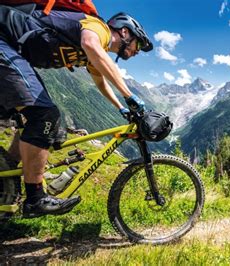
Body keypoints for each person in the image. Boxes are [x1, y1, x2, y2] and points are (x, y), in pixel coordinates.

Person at [0, 4, 153, 218]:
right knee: (45, 115)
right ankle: (35, 199)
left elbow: (101, 82)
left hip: (12, 50)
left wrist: (121, 107)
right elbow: (91, 44)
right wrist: (129, 95)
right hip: (3, 41)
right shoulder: (98, 29)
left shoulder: (95, 50)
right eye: (139, 44)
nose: (137, 51)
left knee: (39, 121)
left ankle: (6, 181)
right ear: (125, 31)